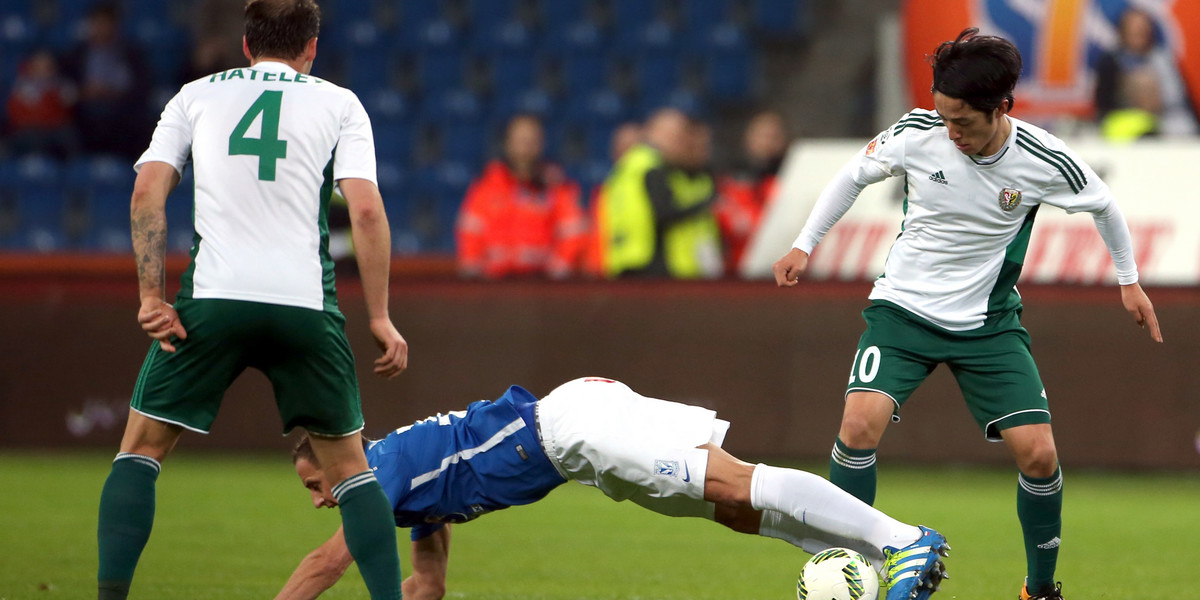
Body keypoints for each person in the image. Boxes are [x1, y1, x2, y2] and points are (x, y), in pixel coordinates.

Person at [772, 29, 1162, 600]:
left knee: (1039, 453)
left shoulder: (1041, 160)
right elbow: (853, 174)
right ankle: (853, 568)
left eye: (964, 123)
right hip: (902, 311)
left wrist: (1129, 282)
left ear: (1002, 107)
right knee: (857, 427)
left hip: (989, 327)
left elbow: (1104, 205)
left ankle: (1039, 588)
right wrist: (805, 243)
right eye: (944, 117)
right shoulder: (917, 133)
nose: (950, 132)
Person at [96, 2, 409, 599]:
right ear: (311, 47)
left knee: (140, 451)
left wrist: (149, 296)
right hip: (304, 308)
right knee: (349, 471)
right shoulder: (339, 104)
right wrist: (378, 315)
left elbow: (145, 194)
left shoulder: (194, 97)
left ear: (245, 44)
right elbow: (366, 210)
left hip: (212, 302)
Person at [275, 377, 950, 600]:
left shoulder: (379, 469)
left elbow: (327, 562)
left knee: (734, 479)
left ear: (340, 457)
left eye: (316, 482)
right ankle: (873, 561)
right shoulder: (403, 488)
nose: (318, 499)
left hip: (571, 426)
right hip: (576, 455)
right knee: (733, 510)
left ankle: (904, 540)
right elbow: (428, 576)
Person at [455, 114, 588, 279]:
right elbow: (470, 233)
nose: (525, 148)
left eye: (532, 141)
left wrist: (556, 275)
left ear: (541, 144)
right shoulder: (486, 186)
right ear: (507, 144)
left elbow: (573, 235)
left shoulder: (557, 187)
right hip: (493, 284)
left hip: (541, 284)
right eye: (520, 141)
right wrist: (473, 276)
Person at [600, 108, 723, 278]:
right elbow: (664, 211)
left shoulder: (630, 165)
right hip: (647, 260)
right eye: (677, 137)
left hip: (624, 258)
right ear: (656, 133)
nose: (680, 144)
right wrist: (704, 204)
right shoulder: (651, 166)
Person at [60, 2, 151, 158]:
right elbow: (65, 87)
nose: (102, 28)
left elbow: (141, 86)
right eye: (97, 23)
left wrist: (111, 92)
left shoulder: (131, 53)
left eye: (106, 23)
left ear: (115, 25)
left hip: (121, 111)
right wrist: (84, 91)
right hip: (85, 112)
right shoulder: (76, 55)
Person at [1094, 7, 1198, 138]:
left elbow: (1185, 100)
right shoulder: (1111, 62)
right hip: (1129, 124)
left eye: (1143, 28)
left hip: (1174, 124)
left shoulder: (1164, 60)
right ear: (1123, 31)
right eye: (1134, 29)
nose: (1139, 33)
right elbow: (1103, 106)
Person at [717, 109, 790, 273]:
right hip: (736, 276)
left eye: (774, 137)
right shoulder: (729, 184)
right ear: (748, 138)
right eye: (762, 135)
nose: (767, 143)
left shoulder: (791, 182)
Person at [4, 48, 80, 160]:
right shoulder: (21, 86)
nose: (45, 69)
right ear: (32, 67)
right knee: (34, 139)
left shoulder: (63, 85)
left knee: (70, 136)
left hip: (56, 127)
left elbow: (68, 110)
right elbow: (16, 114)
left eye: (48, 65)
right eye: (40, 65)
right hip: (30, 129)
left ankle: (73, 169)